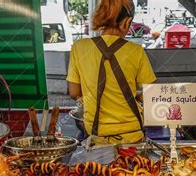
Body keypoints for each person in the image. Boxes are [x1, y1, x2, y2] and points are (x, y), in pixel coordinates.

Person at [67, 0, 156, 144]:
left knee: (99, 168)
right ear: (126, 22)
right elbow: (151, 94)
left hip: (97, 134)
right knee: (135, 166)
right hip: (131, 133)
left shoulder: (79, 47)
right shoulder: (136, 51)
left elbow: (74, 92)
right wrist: (135, 97)